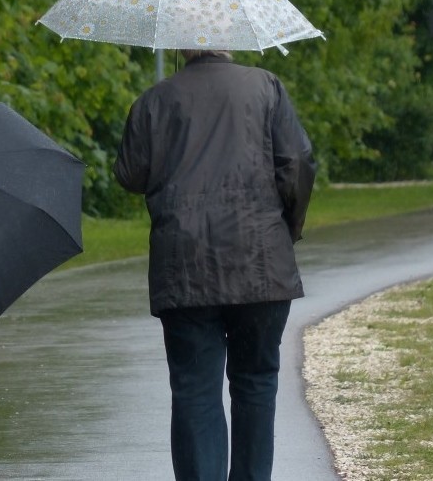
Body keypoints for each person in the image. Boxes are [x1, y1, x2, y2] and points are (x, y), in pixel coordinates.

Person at [113, 49, 316, 481]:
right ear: (231, 39)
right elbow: (296, 162)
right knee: (256, 381)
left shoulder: (155, 100)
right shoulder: (266, 88)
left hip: (184, 266)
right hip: (261, 262)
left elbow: (130, 173)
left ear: (179, 45)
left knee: (194, 390)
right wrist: (288, 226)